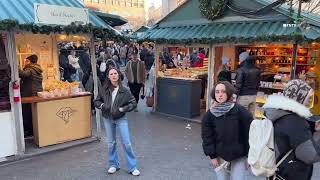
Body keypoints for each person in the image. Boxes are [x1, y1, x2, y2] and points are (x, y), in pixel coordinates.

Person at [263, 80, 315, 180]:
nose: (310, 101)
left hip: (276, 170)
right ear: (299, 97)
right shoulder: (297, 122)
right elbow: (310, 155)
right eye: (309, 97)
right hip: (292, 173)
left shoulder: (278, 114)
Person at [202, 81, 253, 180]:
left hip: (239, 155)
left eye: (223, 92)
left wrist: (249, 155)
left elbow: (249, 133)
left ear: (229, 93)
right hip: (220, 155)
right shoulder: (209, 115)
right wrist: (212, 156)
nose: (220, 94)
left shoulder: (240, 111)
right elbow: (207, 137)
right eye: (217, 92)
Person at [94, 68, 140, 176]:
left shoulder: (125, 90)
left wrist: (122, 109)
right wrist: (103, 106)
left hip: (121, 118)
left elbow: (133, 103)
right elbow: (96, 101)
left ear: (118, 75)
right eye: (111, 74)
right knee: (111, 143)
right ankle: (113, 164)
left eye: (115, 73)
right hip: (107, 118)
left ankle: (132, 167)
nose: (114, 75)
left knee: (127, 143)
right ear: (108, 77)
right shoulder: (104, 89)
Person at [19, 55, 43, 137]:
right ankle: (33, 130)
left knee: (27, 112)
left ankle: (29, 131)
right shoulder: (37, 68)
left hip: (30, 94)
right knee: (33, 112)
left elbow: (23, 74)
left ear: (29, 61)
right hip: (36, 93)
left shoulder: (30, 69)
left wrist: (16, 66)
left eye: (26, 61)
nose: (25, 62)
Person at [125, 47, 146, 111]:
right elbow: (126, 71)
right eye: (133, 55)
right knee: (132, 93)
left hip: (138, 81)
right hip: (131, 82)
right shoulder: (129, 63)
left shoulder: (141, 63)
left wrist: (143, 81)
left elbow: (143, 72)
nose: (134, 56)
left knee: (136, 94)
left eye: (135, 55)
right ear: (131, 56)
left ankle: (135, 105)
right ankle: (133, 105)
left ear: (137, 55)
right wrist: (128, 78)